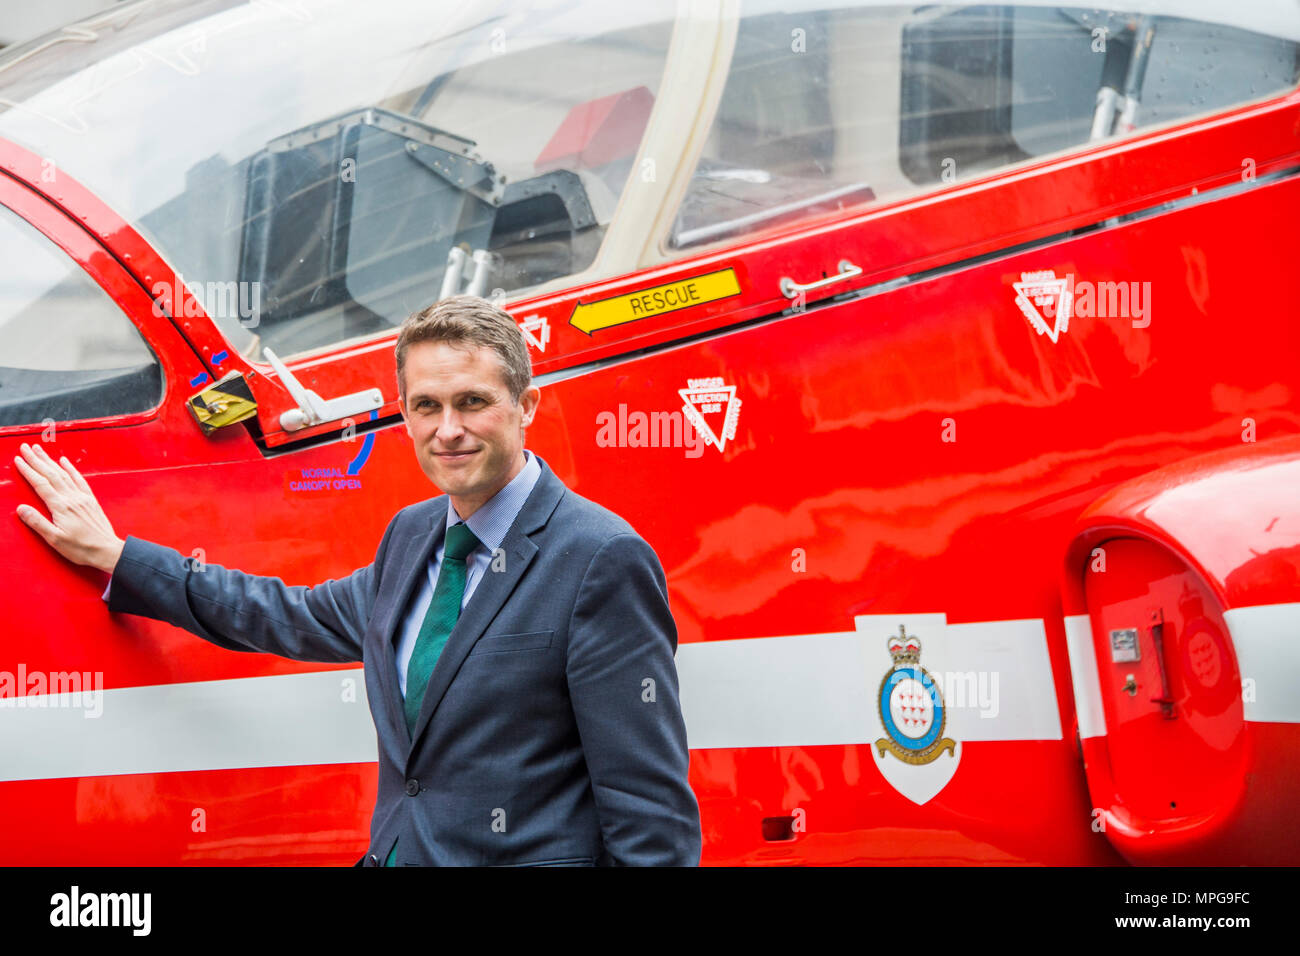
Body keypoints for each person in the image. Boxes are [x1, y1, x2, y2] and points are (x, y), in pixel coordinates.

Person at [13, 294, 701, 866]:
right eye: (426, 406)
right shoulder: (413, 535)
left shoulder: (600, 559)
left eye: (472, 402)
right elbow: (286, 616)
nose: (449, 429)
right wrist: (117, 557)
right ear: (404, 416)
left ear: (527, 405)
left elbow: (651, 812)